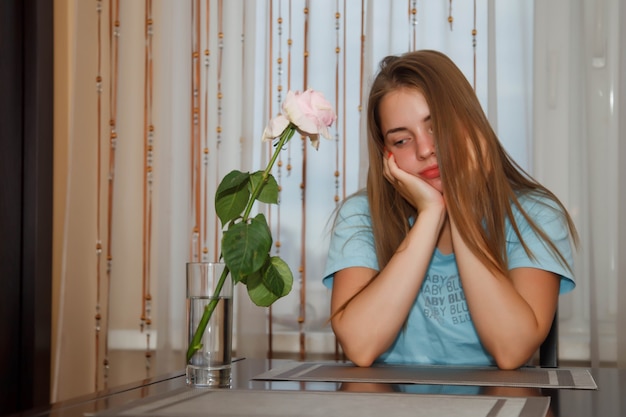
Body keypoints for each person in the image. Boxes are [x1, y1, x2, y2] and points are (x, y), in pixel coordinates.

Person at [322, 50, 578, 370]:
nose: (425, 149)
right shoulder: (361, 215)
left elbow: (512, 351)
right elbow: (360, 346)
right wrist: (430, 214)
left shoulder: (536, 214)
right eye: (402, 140)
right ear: (387, 155)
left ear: (470, 122)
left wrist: (460, 205)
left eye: (437, 126)